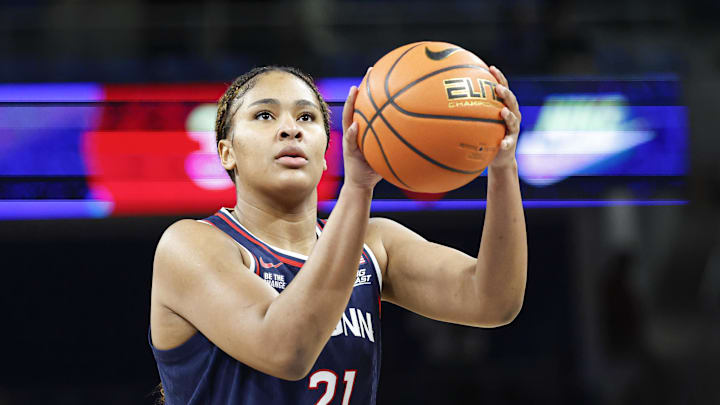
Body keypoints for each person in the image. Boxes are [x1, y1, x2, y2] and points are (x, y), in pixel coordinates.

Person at [149, 64, 526, 404]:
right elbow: (287, 349)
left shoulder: (375, 246)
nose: (290, 128)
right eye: (264, 115)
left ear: (326, 152)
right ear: (226, 152)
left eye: (307, 117)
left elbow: (493, 300)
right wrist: (358, 189)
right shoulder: (192, 245)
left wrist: (502, 166)